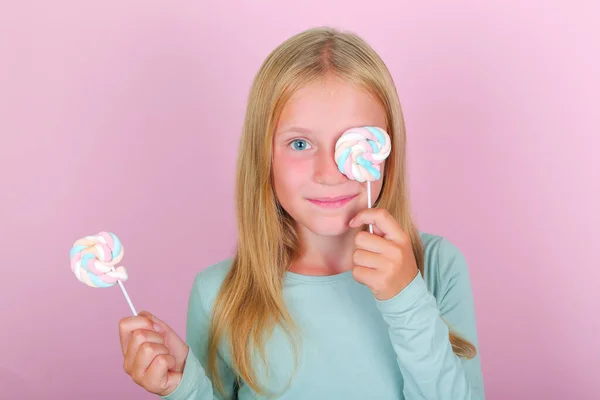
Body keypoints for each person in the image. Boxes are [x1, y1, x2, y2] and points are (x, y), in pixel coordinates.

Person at [118, 26, 485, 399]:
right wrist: (183, 387)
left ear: (386, 148)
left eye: (352, 141)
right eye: (300, 143)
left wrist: (406, 299)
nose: (329, 174)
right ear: (264, 155)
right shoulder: (220, 295)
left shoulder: (436, 267)